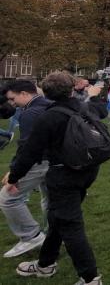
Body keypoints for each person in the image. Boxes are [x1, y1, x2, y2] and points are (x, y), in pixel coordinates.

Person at [6, 72, 106, 285]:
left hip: (64, 175)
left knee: (70, 225)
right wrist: (94, 96)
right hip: (88, 170)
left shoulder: (49, 116)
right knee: (57, 219)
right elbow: (102, 112)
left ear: (46, 92)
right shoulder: (82, 106)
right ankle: (45, 264)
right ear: (72, 89)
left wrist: (14, 177)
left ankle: (90, 278)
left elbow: (30, 152)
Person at [1, 80, 50, 258]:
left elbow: (28, 147)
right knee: (49, 200)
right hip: (56, 161)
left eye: (13, 99)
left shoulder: (30, 113)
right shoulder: (50, 105)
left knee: (7, 198)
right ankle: (51, 240)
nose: (12, 104)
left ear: (24, 94)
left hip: (39, 162)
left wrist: (14, 172)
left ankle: (31, 236)